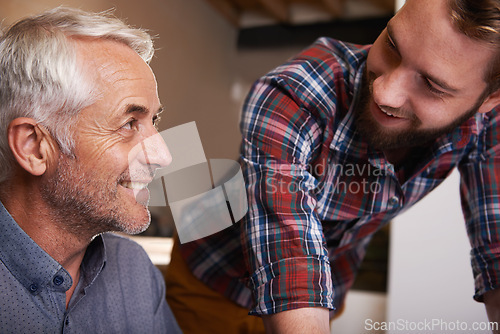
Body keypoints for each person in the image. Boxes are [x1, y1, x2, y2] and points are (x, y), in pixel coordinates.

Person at [165, 0, 500, 333]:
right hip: (209, 273)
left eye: (431, 84)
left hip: (325, 290)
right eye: (393, 46)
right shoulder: (295, 90)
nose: (384, 93)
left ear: (489, 100)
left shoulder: (488, 125)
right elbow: (289, 254)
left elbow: (496, 248)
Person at [0, 7, 181, 333]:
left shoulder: (135, 271)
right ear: (33, 147)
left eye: (153, 121)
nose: (162, 155)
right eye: (129, 124)